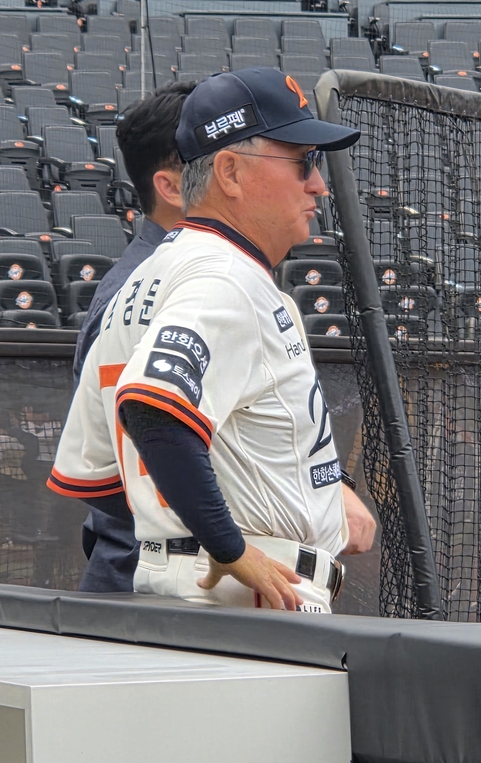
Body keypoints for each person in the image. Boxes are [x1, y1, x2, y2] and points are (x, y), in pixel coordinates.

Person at [83, 67, 376, 611]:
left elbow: (97, 476)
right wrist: (227, 545)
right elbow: (152, 406)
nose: (317, 184)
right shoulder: (224, 275)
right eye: (302, 161)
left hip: (190, 577)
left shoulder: (145, 280)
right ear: (230, 172)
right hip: (244, 589)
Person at [49, 82, 195, 592]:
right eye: (221, 162)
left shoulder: (182, 274)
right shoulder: (148, 290)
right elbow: (132, 473)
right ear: (171, 186)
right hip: (147, 583)